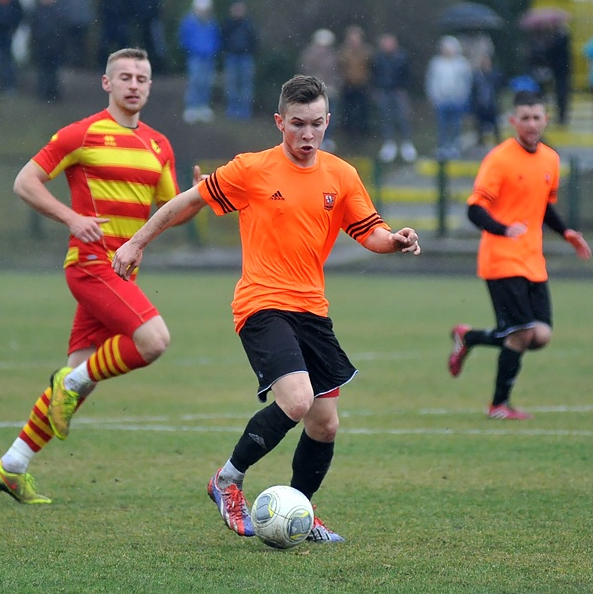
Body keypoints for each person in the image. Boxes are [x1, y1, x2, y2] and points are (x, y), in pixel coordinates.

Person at [111, 74, 422, 542]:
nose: (307, 135)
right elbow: (186, 201)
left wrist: (394, 241)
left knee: (324, 422)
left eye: (317, 124)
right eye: (297, 124)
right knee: (296, 402)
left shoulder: (342, 175)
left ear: (327, 121)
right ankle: (228, 479)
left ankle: (301, 511)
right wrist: (137, 242)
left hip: (312, 309)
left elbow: (369, 231)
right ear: (280, 122)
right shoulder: (251, 169)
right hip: (262, 303)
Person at [0, 48, 201, 505]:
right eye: (123, 76)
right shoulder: (81, 133)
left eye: (141, 77)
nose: (133, 84)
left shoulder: (160, 144)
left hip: (123, 273)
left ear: (149, 86)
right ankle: (70, 382)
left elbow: (168, 213)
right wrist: (70, 218)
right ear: (107, 83)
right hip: (90, 265)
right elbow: (25, 181)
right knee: (153, 341)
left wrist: (196, 199)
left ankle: (12, 465)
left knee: (81, 377)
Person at [448, 90, 592, 420]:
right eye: (524, 118)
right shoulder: (499, 159)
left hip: (532, 260)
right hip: (501, 258)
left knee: (540, 335)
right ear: (513, 121)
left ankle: (468, 337)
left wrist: (566, 232)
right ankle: (498, 405)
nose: (530, 123)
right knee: (522, 333)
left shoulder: (550, 160)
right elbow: (474, 209)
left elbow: (542, 206)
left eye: (536, 117)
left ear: (546, 120)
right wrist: (503, 229)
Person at [425, 35, 472, 159]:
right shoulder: (436, 64)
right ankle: (443, 147)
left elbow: (466, 82)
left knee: (456, 124)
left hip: (456, 99)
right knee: (442, 125)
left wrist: (462, 96)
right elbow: (432, 81)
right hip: (441, 100)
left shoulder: (461, 64)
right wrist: (434, 97)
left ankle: (454, 147)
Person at [371, 32, 416, 163]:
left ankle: (406, 144)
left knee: (403, 117)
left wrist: (403, 88)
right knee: (386, 118)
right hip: (384, 91)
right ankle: (389, 143)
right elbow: (375, 74)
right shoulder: (378, 58)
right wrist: (377, 89)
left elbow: (408, 74)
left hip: (399, 91)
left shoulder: (402, 57)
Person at [178, 0, 221, 124]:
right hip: (195, 57)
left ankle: (203, 107)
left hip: (208, 57)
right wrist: (192, 49)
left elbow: (216, 37)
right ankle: (191, 108)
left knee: (206, 82)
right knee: (195, 82)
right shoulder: (189, 21)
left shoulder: (212, 22)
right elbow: (183, 38)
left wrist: (213, 50)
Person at [299, 28, 340, 152]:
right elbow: (306, 71)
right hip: (314, 90)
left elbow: (337, 73)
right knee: (313, 116)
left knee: (329, 115)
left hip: (330, 90)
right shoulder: (309, 55)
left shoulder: (333, 56)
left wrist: (335, 86)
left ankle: (327, 138)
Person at [221, 0, 259, 121]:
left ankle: (244, 111)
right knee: (231, 84)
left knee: (245, 85)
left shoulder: (249, 24)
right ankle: (232, 109)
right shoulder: (228, 23)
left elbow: (254, 40)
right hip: (231, 56)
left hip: (245, 57)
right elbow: (223, 39)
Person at [29, 0, 66, 102]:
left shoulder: (58, 11)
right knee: (43, 71)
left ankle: (52, 93)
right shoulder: (38, 11)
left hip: (55, 46)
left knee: (53, 72)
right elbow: (34, 28)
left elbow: (62, 29)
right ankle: (43, 92)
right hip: (42, 45)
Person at [338, 24, 373, 138]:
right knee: (347, 111)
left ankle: (364, 134)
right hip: (347, 85)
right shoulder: (343, 52)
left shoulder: (367, 52)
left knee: (364, 111)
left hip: (363, 85)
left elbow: (371, 67)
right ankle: (349, 135)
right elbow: (340, 67)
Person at [470, 52, 503, 146]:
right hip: (480, 104)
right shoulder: (477, 76)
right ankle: (480, 143)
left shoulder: (495, 74)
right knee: (479, 125)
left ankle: (497, 141)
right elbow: (473, 91)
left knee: (495, 125)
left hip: (492, 104)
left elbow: (499, 88)